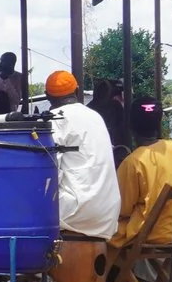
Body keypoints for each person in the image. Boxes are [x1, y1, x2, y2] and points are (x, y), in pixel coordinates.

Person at [110, 100, 172, 254]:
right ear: (159, 123)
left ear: (131, 126)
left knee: (96, 233)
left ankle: (107, 276)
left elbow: (122, 209)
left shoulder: (133, 162)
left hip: (145, 234)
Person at [47, 71, 120, 239]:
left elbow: (49, 173)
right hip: (108, 214)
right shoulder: (95, 117)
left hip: (78, 214)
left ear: (47, 96)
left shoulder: (55, 120)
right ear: (77, 91)